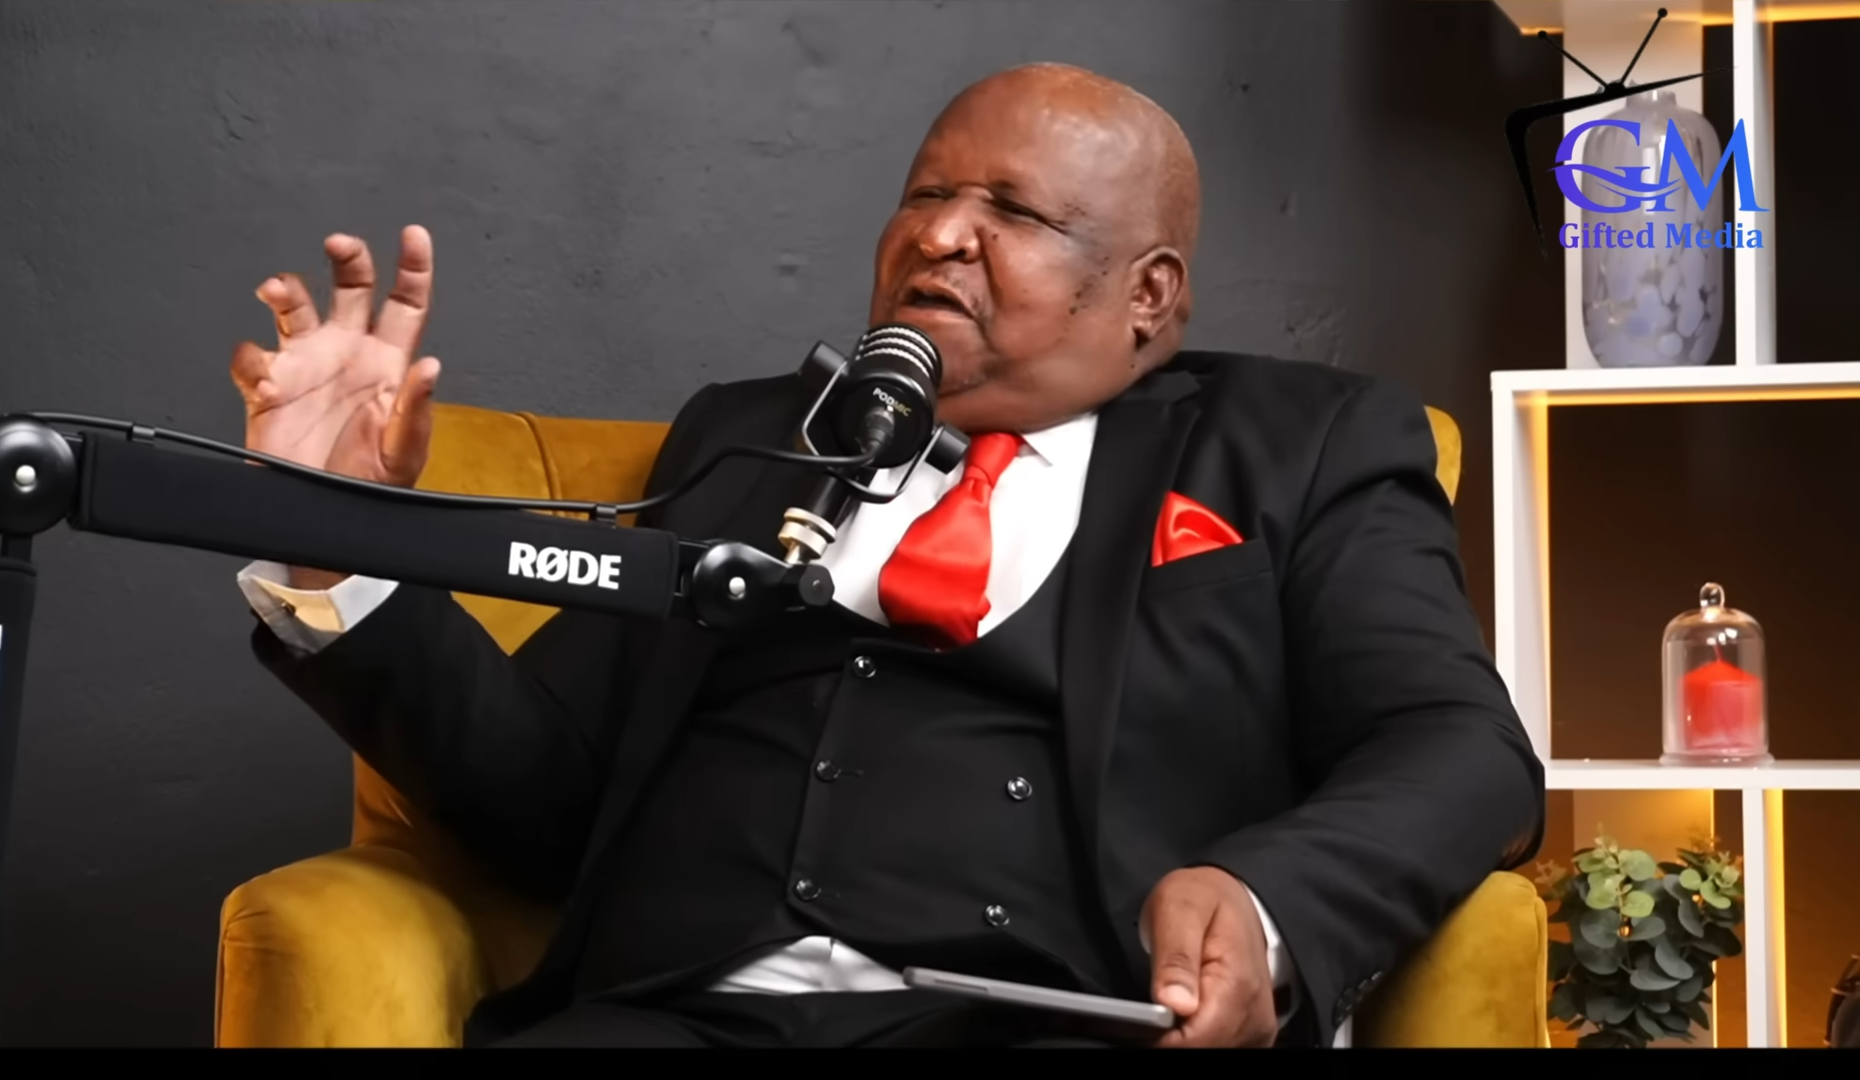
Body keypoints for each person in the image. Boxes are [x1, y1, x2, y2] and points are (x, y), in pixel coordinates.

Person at [228, 62, 1543, 1048]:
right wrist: (335, 533)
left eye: (1013, 210)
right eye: (927, 194)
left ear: (1148, 295)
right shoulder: (750, 438)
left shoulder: (1300, 444)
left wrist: (1264, 904)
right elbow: (545, 796)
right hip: (676, 1016)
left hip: (1057, 1019)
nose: (942, 233)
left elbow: (1460, 749)